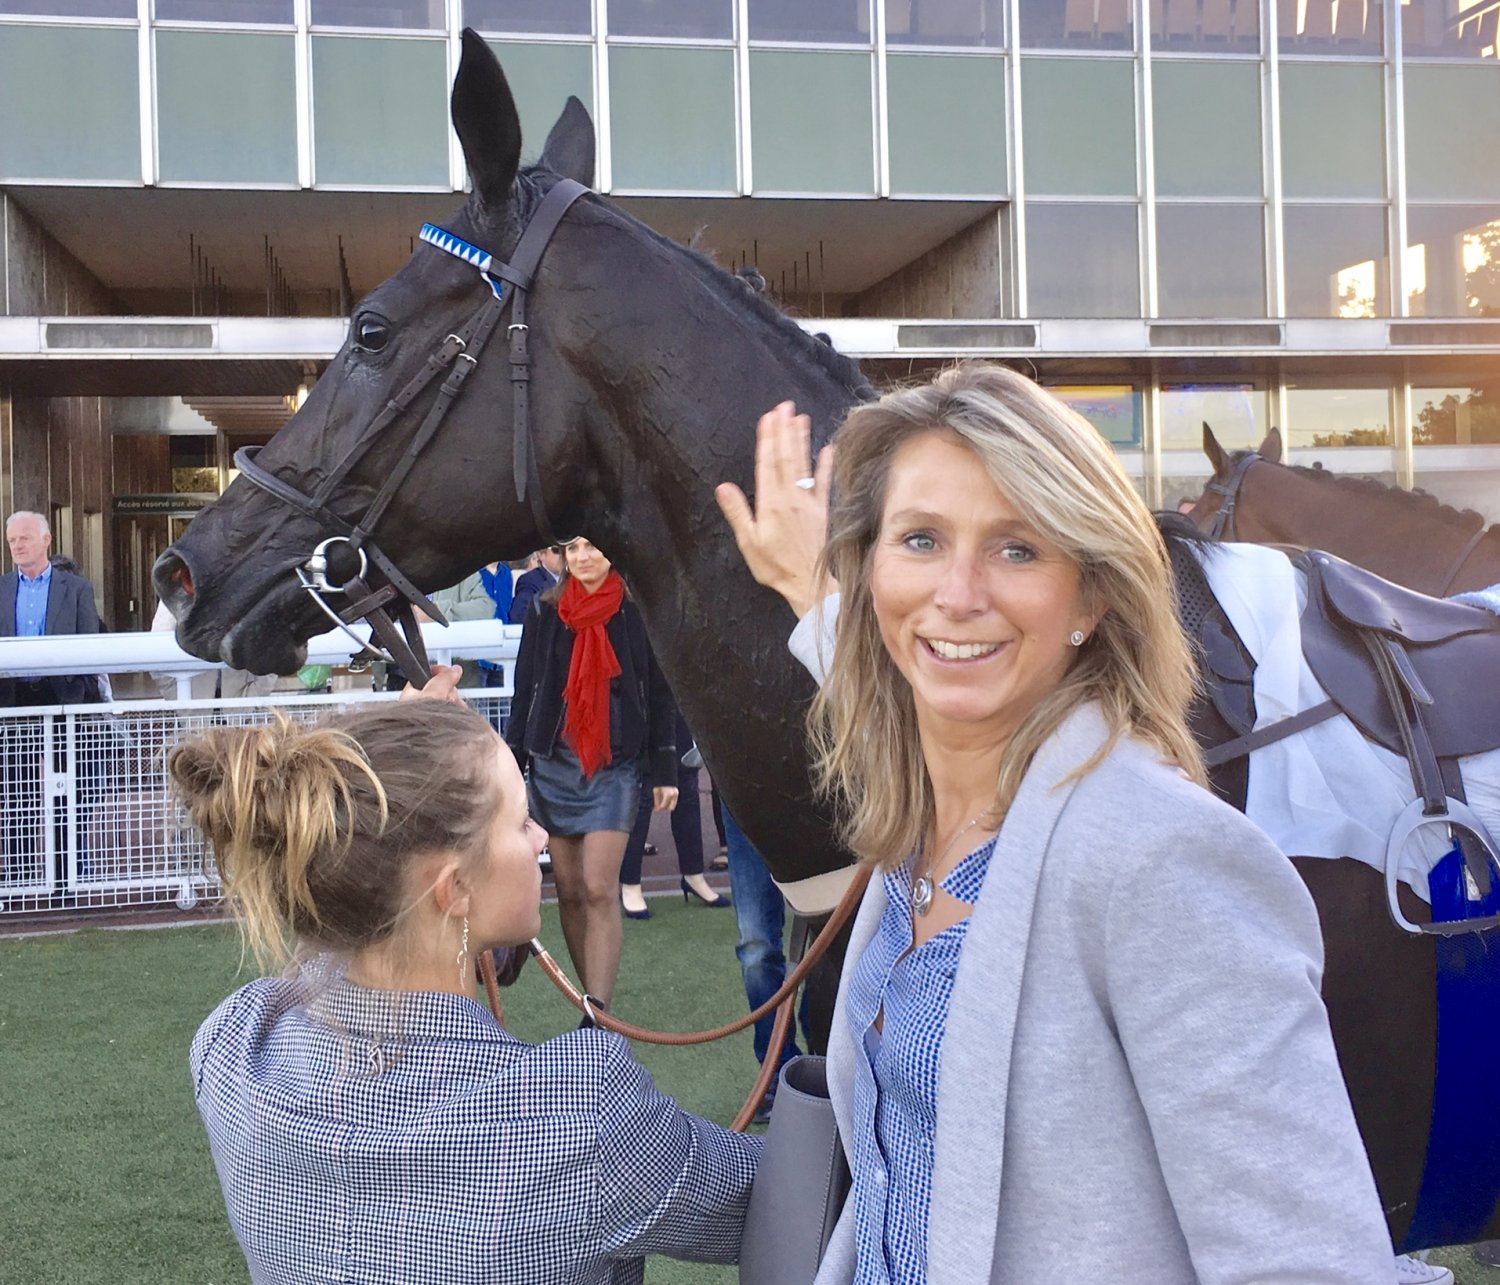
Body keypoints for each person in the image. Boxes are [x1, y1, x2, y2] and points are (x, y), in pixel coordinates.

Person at [715, 369, 1395, 1283]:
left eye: (1018, 548)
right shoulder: (924, 820)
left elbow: (1312, 1264)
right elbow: (904, 669)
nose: (958, 592)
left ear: (1091, 597)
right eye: (920, 539)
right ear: (870, 570)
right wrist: (811, 586)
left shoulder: (1165, 859)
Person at [173, 695, 760, 1285]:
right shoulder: (581, 1114)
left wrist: (409, 768)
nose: (540, 837)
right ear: (453, 889)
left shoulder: (233, 1044)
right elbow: (773, 1198)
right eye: (521, 820)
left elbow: (327, 948)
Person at [505, 537, 677, 1011]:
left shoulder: (637, 610)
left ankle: (599, 1009)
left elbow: (660, 694)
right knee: (569, 891)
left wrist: (665, 768)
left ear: (612, 550)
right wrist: (511, 768)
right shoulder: (543, 610)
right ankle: (592, 1005)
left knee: (599, 887)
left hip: (615, 765)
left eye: (592, 547)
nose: (581, 557)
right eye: (573, 548)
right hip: (553, 763)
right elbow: (525, 691)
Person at [619, 698, 729, 918]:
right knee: (643, 787)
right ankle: (630, 884)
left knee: (686, 779)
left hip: (675, 693)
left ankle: (694, 875)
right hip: (637, 691)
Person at [1, 511, 103, 707]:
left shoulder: (77, 589)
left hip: (63, 699)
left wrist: (84, 691)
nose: (17, 546)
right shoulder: (2, 589)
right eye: (12, 540)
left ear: (46, 539)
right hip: (9, 699)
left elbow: (90, 645)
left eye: (24, 538)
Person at [509, 544, 564, 624]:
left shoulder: (575, 579)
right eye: (556, 550)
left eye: (567, 549)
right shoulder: (530, 581)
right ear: (541, 554)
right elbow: (519, 617)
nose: (564, 555)